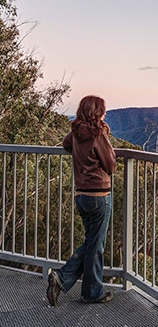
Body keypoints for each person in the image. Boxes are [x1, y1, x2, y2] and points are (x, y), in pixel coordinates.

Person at [47, 95, 116, 306]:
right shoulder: (98, 136)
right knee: (96, 245)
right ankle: (91, 292)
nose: (105, 113)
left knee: (90, 242)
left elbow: (66, 144)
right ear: (97, 112)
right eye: (103, 110)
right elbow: (111, 165)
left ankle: (63, 279)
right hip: (99, 196)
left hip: (81, 195)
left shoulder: (76, 133)